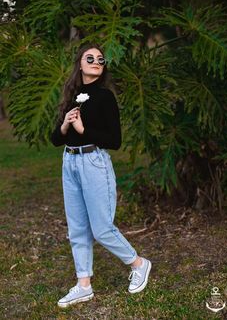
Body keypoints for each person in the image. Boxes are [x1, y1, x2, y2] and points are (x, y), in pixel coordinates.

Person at [50, 43, 151, 308]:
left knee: (102, 228)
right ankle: (84, 285)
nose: (96, 61)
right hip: (69, 163)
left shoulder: (105, 97)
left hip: (94, 163)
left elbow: (115, 141)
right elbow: (54, 140)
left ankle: (138, 264)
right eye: (90, 57)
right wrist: (64, 126)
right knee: (77, 229)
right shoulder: (71, 95)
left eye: (100, 59)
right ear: (80, 64)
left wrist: (84, 130)